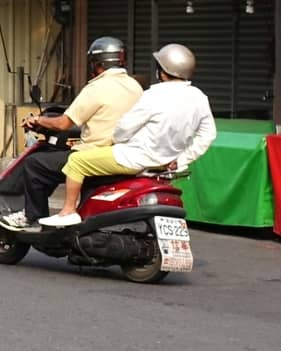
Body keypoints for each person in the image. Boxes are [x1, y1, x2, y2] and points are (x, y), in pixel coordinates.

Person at [40, 43, 216, 227]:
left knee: (77, 162)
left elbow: (124, 127)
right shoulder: (199, 97)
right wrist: (181, 160)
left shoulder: (153, 95)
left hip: (133, 159)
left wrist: (120, 141)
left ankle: (68, 211)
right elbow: (208, 135)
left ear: (161, 71)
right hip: (166, 164)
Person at [0, 37, 141, 229]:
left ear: (97, 64)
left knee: (35, 165)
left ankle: (32, 216)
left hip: (94, 155)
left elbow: (63, 123)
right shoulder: (135, 87)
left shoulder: (96, 88)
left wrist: (39, 120)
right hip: (122, 155)